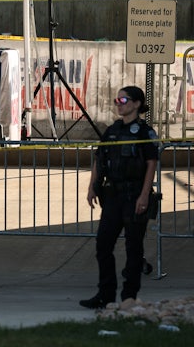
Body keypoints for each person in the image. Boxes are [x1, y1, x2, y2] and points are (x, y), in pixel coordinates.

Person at [80, 85, 158, 309]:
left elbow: (151, 164)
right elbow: (99, 157)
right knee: (103, 244)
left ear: (136, 104)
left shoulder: (144, 132)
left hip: (134, 195)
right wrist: (92, 186)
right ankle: (105, 294)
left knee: (134, 248)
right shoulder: (112, 130)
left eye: (123, 101)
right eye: (117, 100)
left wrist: (144, 195)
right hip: (113, 195)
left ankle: (128, 296)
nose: (118, 104)